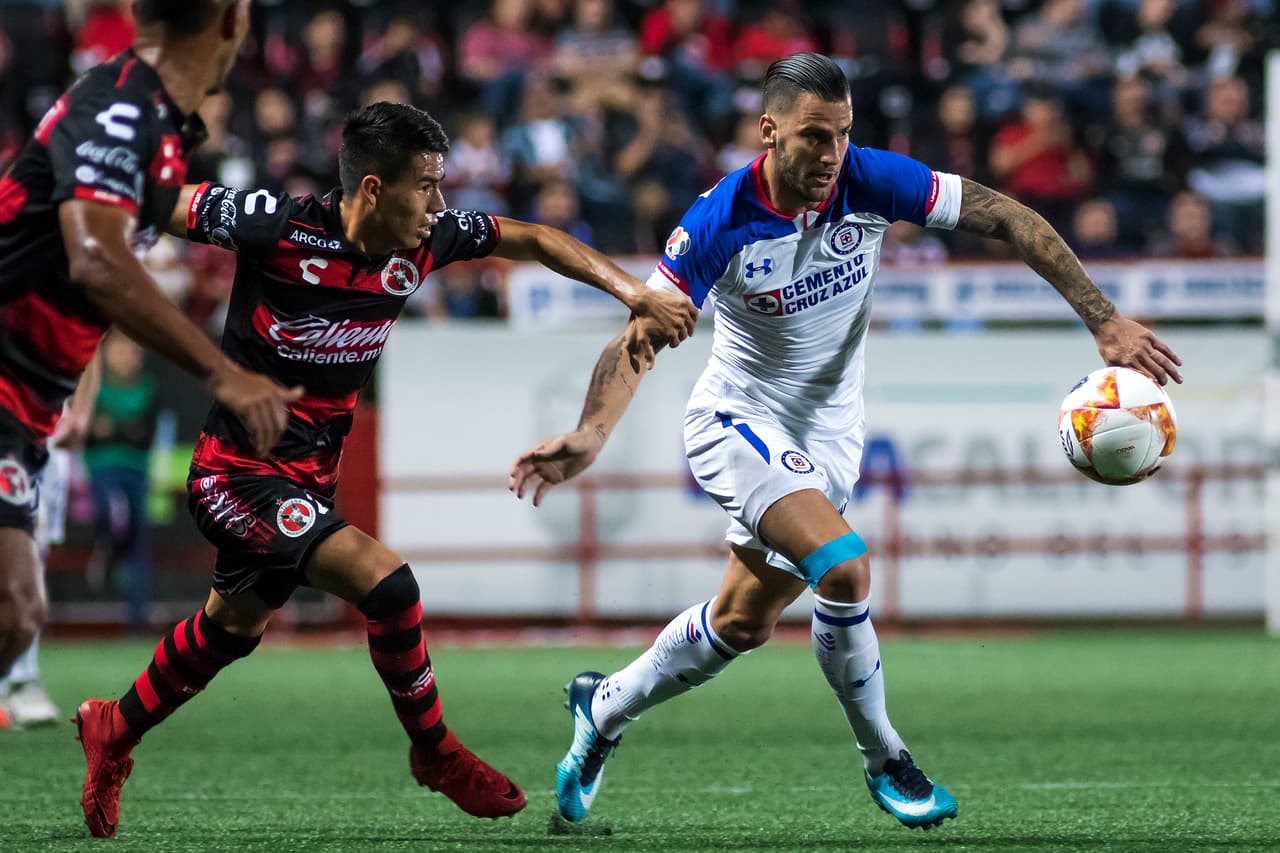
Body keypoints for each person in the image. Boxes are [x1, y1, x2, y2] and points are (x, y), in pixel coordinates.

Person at [509, 53, 1183, 831]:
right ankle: (886, 756)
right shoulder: (717, 220)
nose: (830, 154)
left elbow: (1007, 215)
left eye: (841, 134)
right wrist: (593, 433)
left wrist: (1102, 317)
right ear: (769, 132)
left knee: (740, 624)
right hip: (737, 422)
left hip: (827, 440)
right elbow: (641, 336)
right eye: (812, 136)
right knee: (845, 566)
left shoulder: (871, 178)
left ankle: (605, 707)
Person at [73, 100, 698, 839]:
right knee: (388, 583)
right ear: (373, 189)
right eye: (427, 186)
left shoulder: (426, 241)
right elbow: (154, 202)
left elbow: (534, 239)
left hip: (305, 481)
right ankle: (434, 750)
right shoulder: (273, 223)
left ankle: (115, 725)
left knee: (232, 628)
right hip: (232, 473)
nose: (440, 205)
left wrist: (634, 291)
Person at [0, 0, 300, 695]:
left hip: (27, 399)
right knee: (14, 605)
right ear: (231, 21)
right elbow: (99, 261)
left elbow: (150, 220)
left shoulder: (156, 121)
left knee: (15, 614)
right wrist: (225, 375)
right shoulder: (122, 108)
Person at [0, 353, 99, 729]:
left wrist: (83, 411)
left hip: (44, 430)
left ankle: (22, 680)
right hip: (7, 422)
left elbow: (93, 346)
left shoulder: (61, 298)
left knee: (33, 552)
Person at [85, 332, 159, 632]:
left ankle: (137, 618)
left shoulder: (149, 387)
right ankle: (109, 549)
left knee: (138, 541)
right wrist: (122, 428)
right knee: (106, 513)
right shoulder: (93, 388)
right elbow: (89, 433)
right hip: (102, 468)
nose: (123, 357)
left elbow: (144, 435)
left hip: (137, 469)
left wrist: (110, 427)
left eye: (130, 351)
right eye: (117, 351)